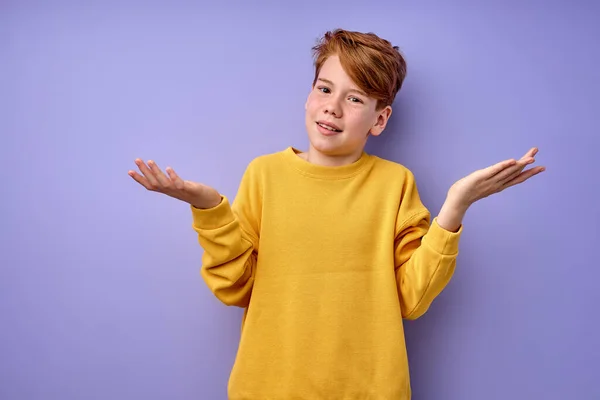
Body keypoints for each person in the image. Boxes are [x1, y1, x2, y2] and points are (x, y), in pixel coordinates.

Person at [128, 29, 545, 399]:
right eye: (325, 89)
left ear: (379, 119)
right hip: (268, 388)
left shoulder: (395, 184)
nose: (333, 108)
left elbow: (412, 300)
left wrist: (455, 207)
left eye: (355, 98)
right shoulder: (264, 175)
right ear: (309, 94)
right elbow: (233, 288)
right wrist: (209, 209)